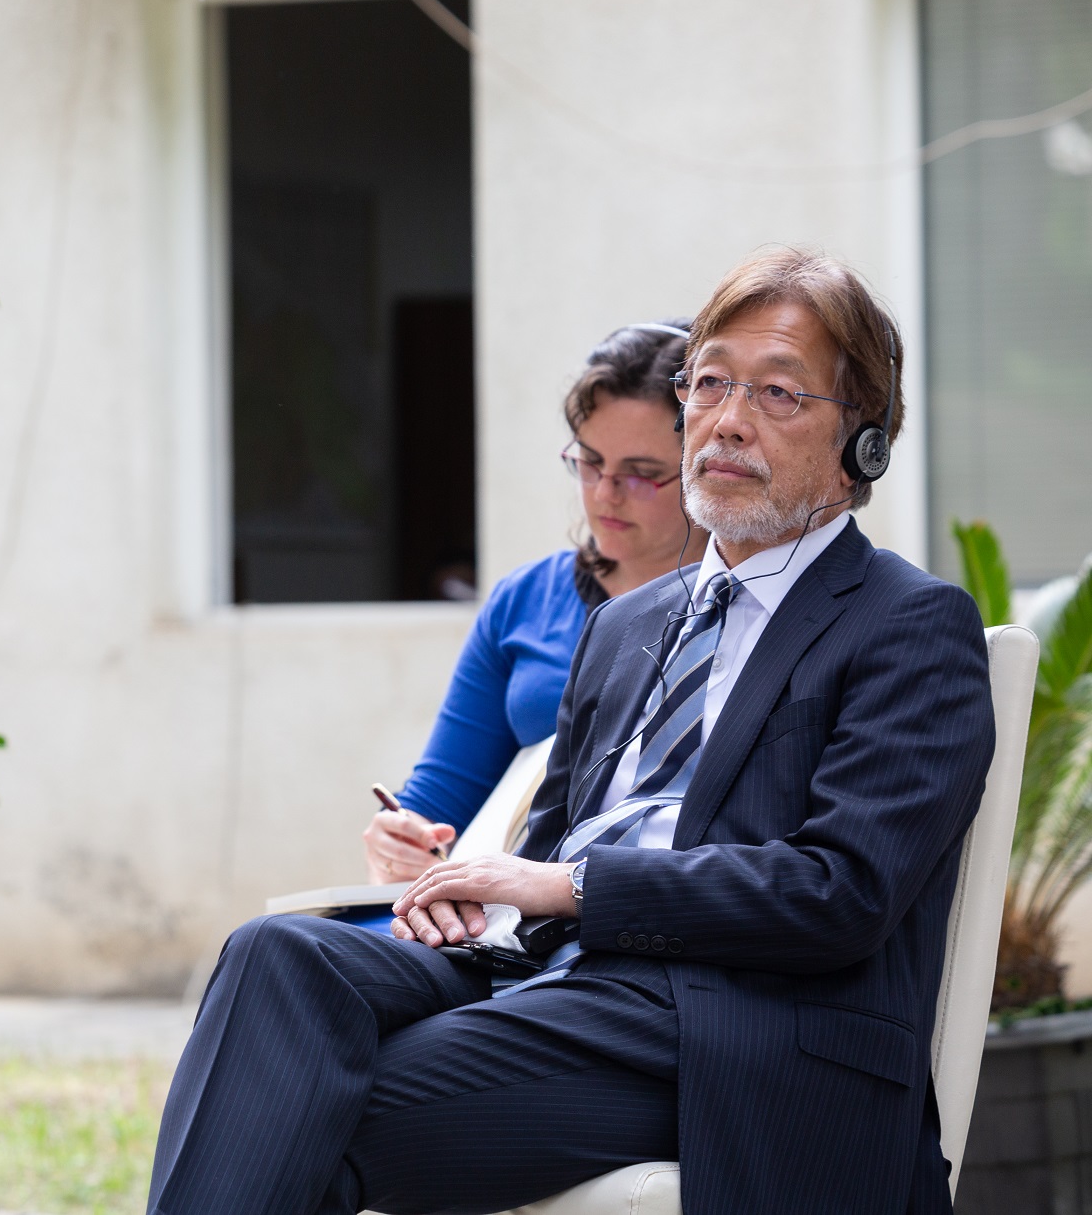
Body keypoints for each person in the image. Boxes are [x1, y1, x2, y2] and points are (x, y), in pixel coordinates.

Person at [147, 246, 995, 1215]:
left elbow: (840, 892)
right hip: (552, 977)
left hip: (728, 1024)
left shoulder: (905, 624)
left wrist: (567, 887)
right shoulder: (627, 624)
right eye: (709, 383)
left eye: (777, 393)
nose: (727, 418)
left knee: (284, 1108)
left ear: (862, 445)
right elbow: (548, 854)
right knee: (276, 955)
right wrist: (480, 903)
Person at [364, 325, 692, 884]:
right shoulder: (526, 599)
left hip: (645, 908)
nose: (604, 493)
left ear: (706, 467)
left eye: (641, 474)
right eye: (589, 461)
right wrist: (401, 841)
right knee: (278, 933)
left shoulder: (741, 603)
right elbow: (439, 806)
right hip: (497, 914)